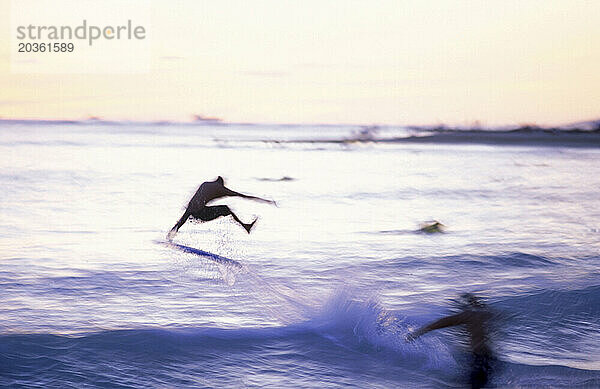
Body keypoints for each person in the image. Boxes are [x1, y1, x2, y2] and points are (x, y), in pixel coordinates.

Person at [406, 293, 496, 389]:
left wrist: (418, 332)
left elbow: (442, 322)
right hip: (491, 358)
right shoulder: (488, 315)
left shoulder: (469, 315)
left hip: (479, 358)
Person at [167, 176, 276, 240]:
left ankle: (175, 229)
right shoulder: (221, 189)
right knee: (226, 209)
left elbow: (192, 205)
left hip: (191, 214)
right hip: (201, 214)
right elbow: (245, 196)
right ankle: (245, 226)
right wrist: (267, 201)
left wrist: (177, 226)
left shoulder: (205, 184)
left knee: (194, 207)